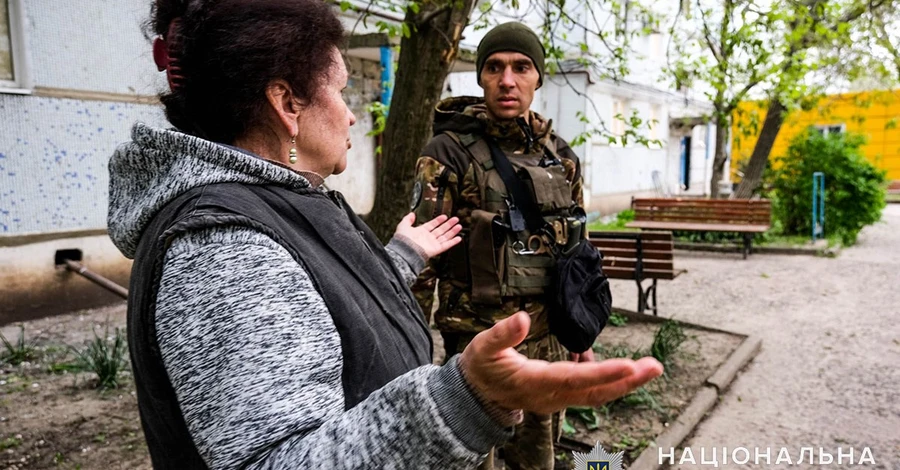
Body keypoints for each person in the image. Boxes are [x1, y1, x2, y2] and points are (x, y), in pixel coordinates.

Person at [108, 2, 663, 469]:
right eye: (344, 92)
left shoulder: (285, 199)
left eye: (523, 67)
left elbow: (328, 296)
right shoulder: (222, 247)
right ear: (287, 105)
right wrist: (462, 399)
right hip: (484, 336)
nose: (354, 117)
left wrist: (401, 256)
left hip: (540, 338)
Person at [410, 22, 593, 469]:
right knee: (475, 458)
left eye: (521, 67)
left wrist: (583, 331)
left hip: (548, 341)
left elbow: (578, 254)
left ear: (538, 78)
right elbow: (422, 258)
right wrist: (410, 348)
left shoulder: (562, 156)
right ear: (481, 77)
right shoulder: (447, 153)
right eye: (494, 67)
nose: (507, 80)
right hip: (479, 346)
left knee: (537, 458)